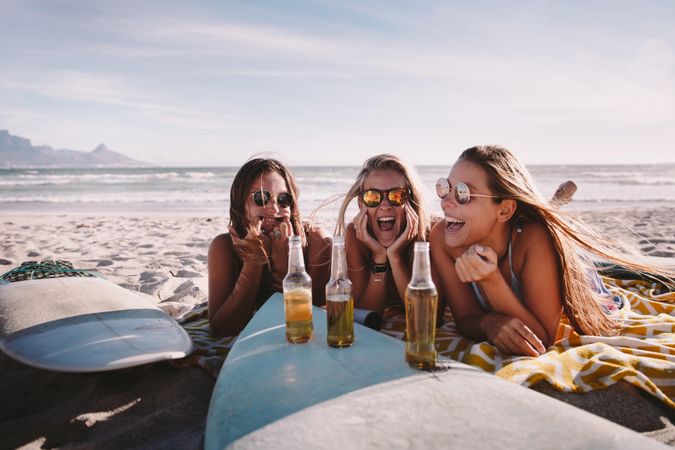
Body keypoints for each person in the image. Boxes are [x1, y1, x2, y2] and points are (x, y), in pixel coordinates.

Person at [430, 145, 674, 357]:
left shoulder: (536, 240)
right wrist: (487, 322)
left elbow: (542, 338)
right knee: (545, 219)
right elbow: (465, 319)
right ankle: (556, 203)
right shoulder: (443, 238)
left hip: (580, 276)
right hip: (514, 234)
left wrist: (490, 279)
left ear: (504, 210)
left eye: (463, 193)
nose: (445, 202)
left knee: (551, 230)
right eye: (445, 188)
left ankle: (554, 206)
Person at [208, 157, 331, 336]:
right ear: (240, 204)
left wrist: (284, 270)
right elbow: (223, 329)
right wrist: (253, 264)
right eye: (261, 198)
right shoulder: (224, 247)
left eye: (283, 199)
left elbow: (306, 321)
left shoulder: (317, 242)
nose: (274, 208)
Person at [335, 154, 429, 316]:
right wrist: (380, 258)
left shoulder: (429, 234)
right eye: (373, 196)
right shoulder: (355, 235)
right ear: (361, 203)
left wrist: (395, 257)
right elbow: (364, 315)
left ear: (410, 200)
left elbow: (423, 316)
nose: (385, 205)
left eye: (397, 195)